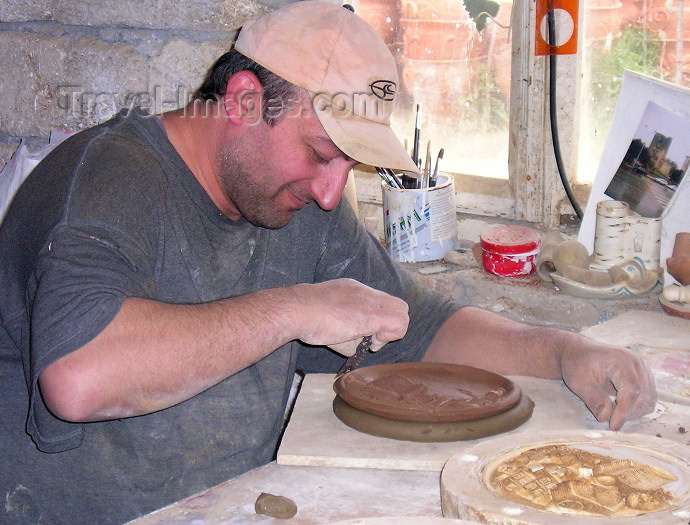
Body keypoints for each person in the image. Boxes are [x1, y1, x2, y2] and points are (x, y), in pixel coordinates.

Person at [0, 2, 656, 523]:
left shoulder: (299, 208)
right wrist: (295, 308)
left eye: (352, 163)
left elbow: (423, 327)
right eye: (321, 153)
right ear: (243, 102)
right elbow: (78, 378)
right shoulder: (108, 179)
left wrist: (565, 353)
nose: (331, 192)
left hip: (235, 504)